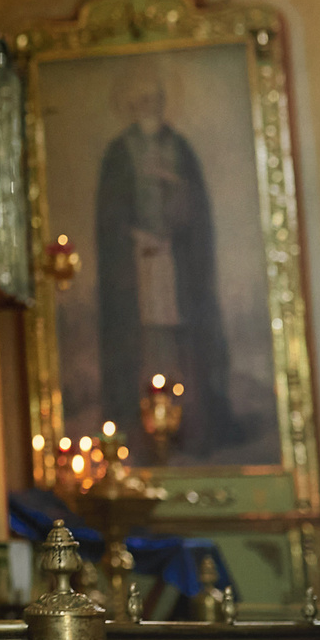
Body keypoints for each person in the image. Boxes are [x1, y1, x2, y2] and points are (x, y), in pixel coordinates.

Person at [92, 65, 240, 457]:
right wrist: (134, 235)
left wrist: (176, 208)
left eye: (154, 100)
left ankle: (192, 423)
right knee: (142, 337)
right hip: (136, 262)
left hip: (177, 262)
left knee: (180, 336)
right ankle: (135, 431)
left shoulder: (181, 149)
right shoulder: (118, 153)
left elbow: (198, 208)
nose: (148, 107)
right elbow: (109, 214)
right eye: (140, 101)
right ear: (129, 106)